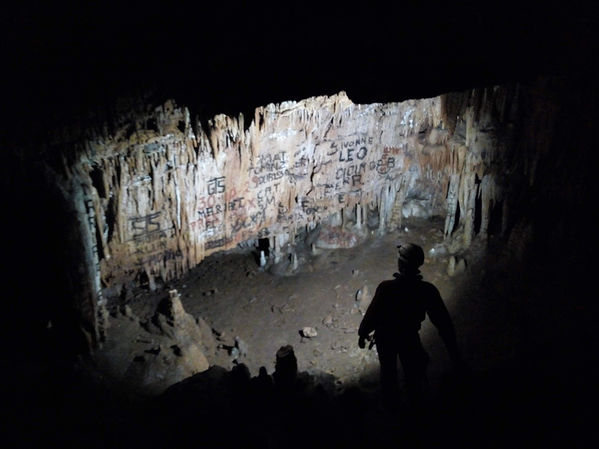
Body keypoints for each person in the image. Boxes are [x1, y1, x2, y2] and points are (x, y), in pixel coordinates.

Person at [358, 243, 462, 409]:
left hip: (387, 338)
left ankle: (393, 411)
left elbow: (372, 314)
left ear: (401, 264)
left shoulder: (386, 288)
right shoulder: (427, 290)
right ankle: (415, 411)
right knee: (413, 376)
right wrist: (454, 353)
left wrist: (363, 333)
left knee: (389, 376)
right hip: (409, 337)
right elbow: (444, 323)